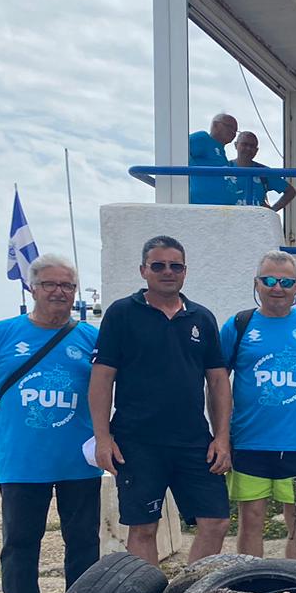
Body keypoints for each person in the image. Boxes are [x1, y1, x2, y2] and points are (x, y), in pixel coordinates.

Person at [0, 253, 101, 593]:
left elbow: (107, 387)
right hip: (22, 462)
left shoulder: (90, 338)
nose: (59, 292)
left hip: (78, 461)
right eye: (50, 284)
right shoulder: (1, 334)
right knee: (20, 543)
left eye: (67, 285)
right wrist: (9, 430)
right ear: (33, 288)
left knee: (83, 543)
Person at [90, 235, 232, 566]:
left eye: (175, 266)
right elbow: (101, 379)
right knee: (143, 528)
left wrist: (222, 438)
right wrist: (102, 438)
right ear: (144, 270)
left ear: (185, 271)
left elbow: (217, 381)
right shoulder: (122, 314)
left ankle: (188, 592)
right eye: (158, 266)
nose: (168, 272)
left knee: (216, 522)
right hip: (136, 441)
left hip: (193, 440)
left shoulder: (202, 318)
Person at [219, 251, 296, 559]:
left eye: (286, 282)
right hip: (250, 440)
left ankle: (294, 584)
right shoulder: (239, 325)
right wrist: (221, 434)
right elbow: (216, 381)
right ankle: (252, 583)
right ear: (256, 284)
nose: (277, 288)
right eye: (268, 280)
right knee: (251, 520)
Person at [231, 131, 296, 212]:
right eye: (244, 144)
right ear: (236, 145)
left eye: (252, 146)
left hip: (256, 218)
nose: (248, 148)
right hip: (230, 217)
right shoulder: (226, 168)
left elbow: (290, 191)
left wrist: (272, 211)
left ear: (256, 150)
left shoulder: (264, 172)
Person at [187, 113, 238, 206]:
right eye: (229, 127)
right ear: (215, 125)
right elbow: (177, 148)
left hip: (220, 208)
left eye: (235, 130)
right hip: (203, 206)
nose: (233, 132)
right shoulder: (203, 138)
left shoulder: (221, 152)